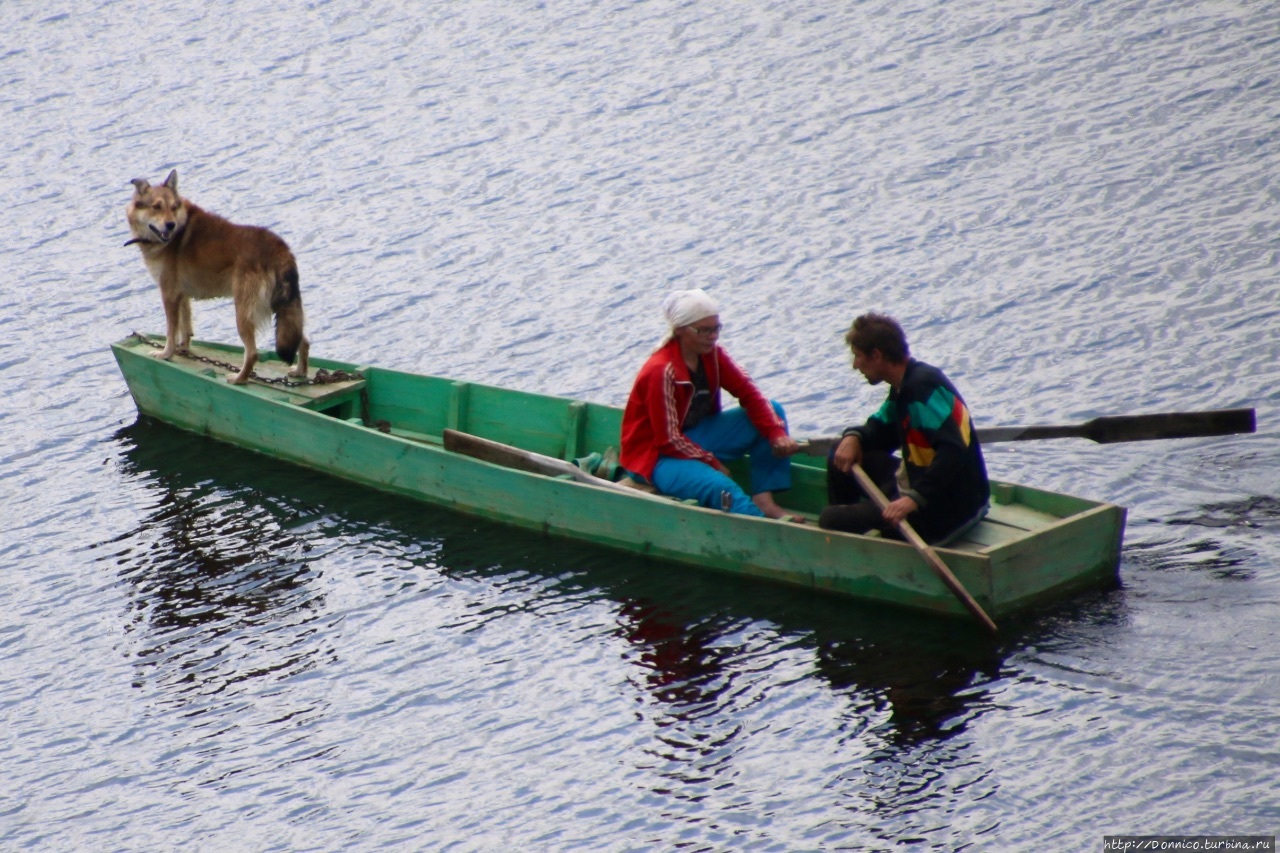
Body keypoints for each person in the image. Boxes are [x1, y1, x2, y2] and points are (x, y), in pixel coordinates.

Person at [619, 288, 803, 520]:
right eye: (704, 330)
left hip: (693, 438)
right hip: (657, 457)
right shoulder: (661, 371)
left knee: (772, 412)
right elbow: (668, 439)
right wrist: (711, 462)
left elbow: (750, 394)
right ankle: (761, 526)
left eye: (716, 328)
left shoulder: (713, 355)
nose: (713, 336)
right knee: (722, 487)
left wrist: (776, 433)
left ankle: (764, 500)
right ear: (680, 331)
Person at [820, 312, 989, 545]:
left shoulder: (922, 388)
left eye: (858, 357)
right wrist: (854, 436)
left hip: (946, 510)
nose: (855, 365)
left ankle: (860, 534)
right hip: (918, 482)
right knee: (839, 453)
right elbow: (882, 428)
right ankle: (863, 527)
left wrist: (913, 500)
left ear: (876, 355)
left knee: (830, 519)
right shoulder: (903, 386)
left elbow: (953, 452)